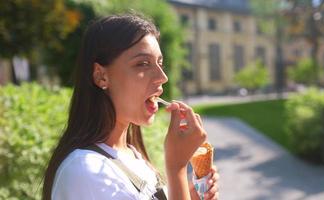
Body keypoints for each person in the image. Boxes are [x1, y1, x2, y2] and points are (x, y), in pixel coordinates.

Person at [42, 14, 219, 200]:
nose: (162, 77)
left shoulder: (132, 155)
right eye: (143, 64)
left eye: (160, 63)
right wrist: (176, 169)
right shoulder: (85, 171)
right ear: (101, 76)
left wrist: (186, 194)